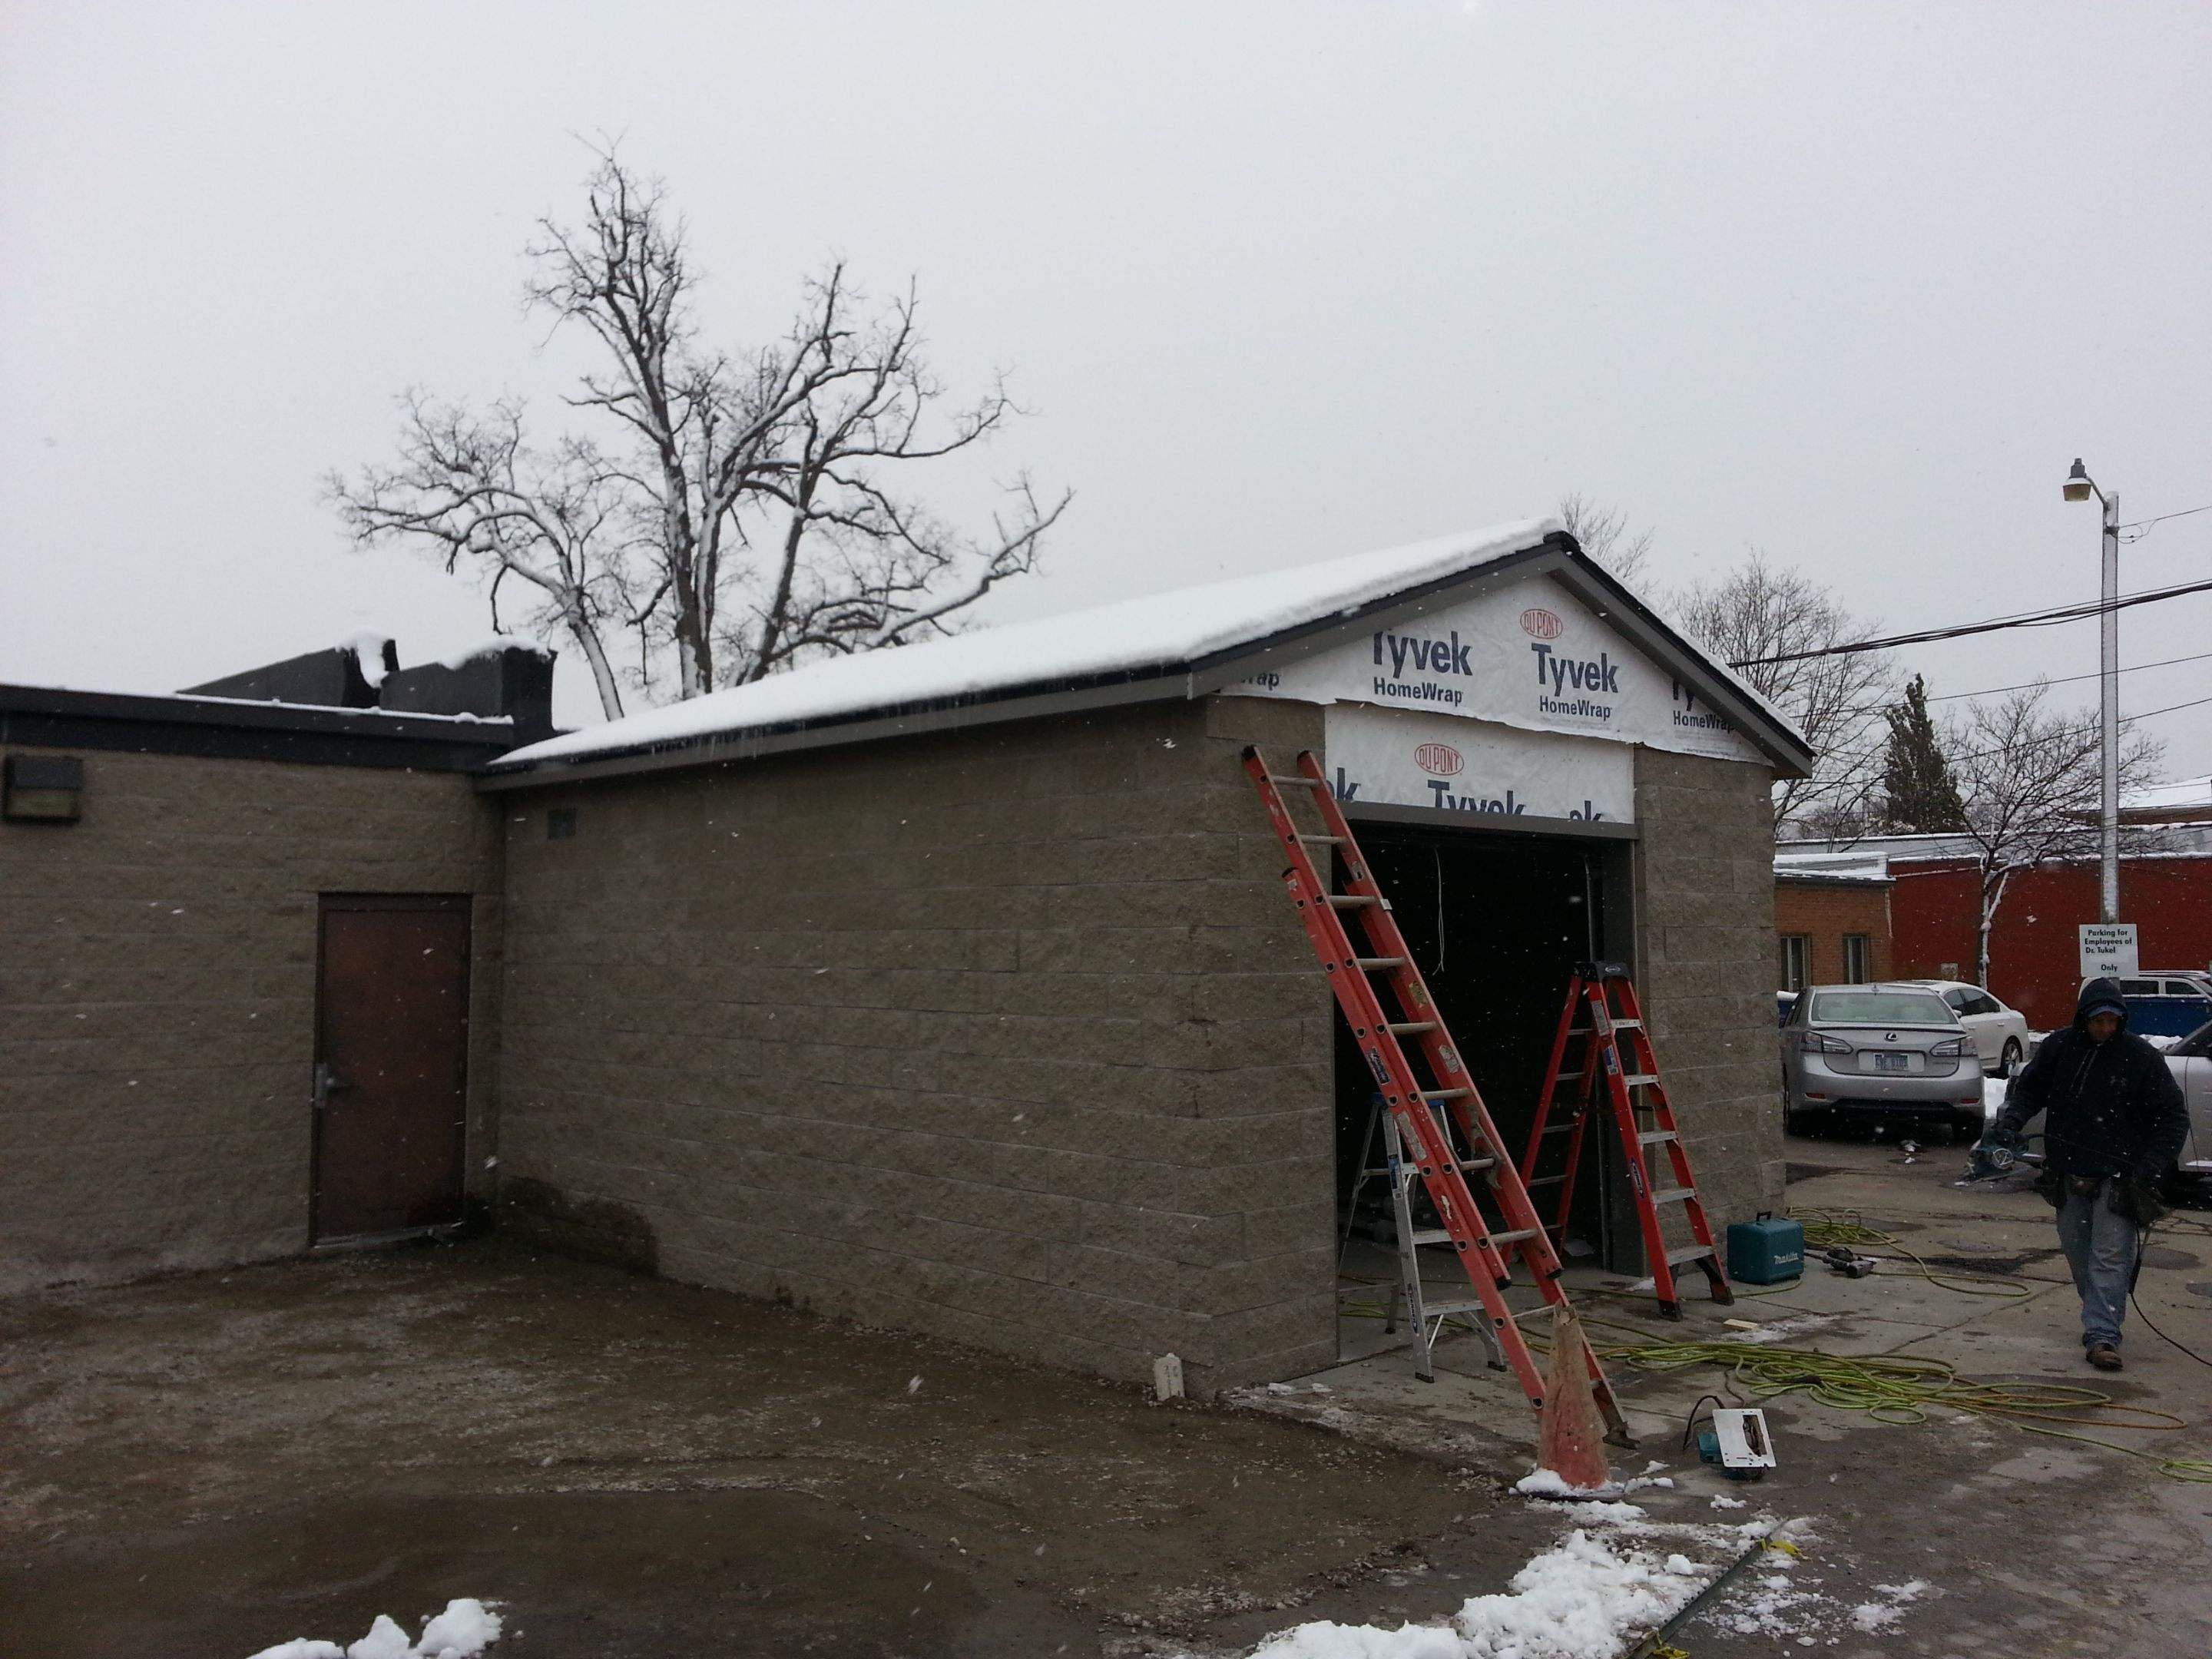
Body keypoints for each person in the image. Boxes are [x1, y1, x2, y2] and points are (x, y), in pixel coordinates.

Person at [1988, 976, 2188, 1371]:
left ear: (2122, 1021)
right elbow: (2030, 1090)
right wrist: (2011, 1122)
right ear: (2084, 1018)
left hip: (2120, 1177)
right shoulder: (2060, 1048)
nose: (2105, 1028)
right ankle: (2100, 1312)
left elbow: (2173, 1117)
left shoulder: (2140, 1057)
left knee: (2110, 1257)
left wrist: (2151, 1166)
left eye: (2113, 1021)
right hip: (2067, 1172)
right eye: (2098, 1020)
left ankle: (2102, 1335)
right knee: (2079, 1253)